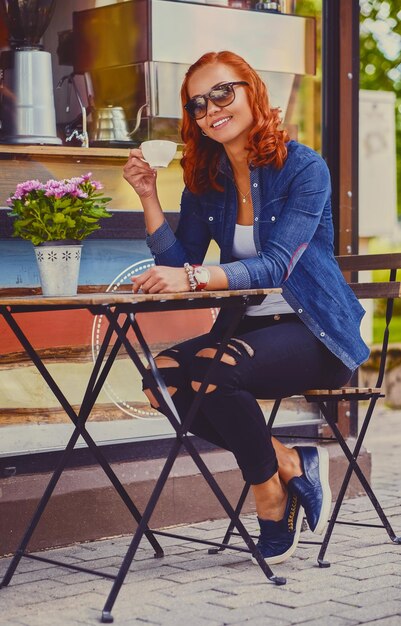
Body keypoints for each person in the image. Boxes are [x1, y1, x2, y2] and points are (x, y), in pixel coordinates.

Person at [123, 50, 370, 565]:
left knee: (214, 369)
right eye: (197, 104)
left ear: (252, 91)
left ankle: (269, 496)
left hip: (316, 331)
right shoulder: (204, 176)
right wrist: (148, 196)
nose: (211, 108)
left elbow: (278, 265)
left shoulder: (304, 168)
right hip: (249, 331)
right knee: (161, 380)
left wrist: (190, 275)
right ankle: (286, 460)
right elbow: (182, 261)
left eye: (222, 92)